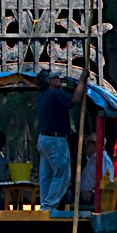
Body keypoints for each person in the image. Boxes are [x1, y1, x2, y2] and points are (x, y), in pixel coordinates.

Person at [36, 71, 83, 208]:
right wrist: (82, 80)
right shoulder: (55, 93)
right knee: (63, 175)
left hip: (43, 139)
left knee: (46, 176)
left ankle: (45, 206)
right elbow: (76, 98)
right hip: (55, 140)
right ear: (49, 81)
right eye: (55, 77)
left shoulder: (42, 96)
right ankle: (49, 205)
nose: (59, 79)